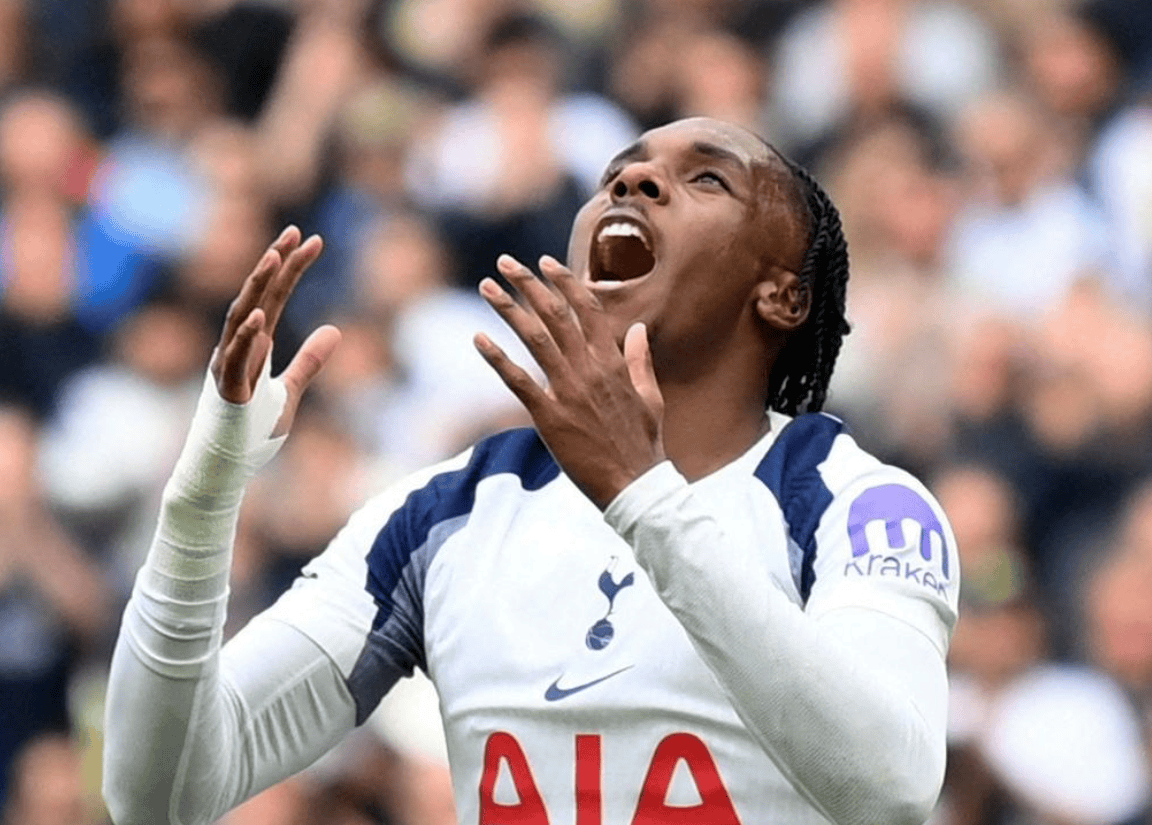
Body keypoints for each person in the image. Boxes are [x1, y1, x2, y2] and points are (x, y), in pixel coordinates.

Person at [102, 117, 958, 825]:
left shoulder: (855, 503)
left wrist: (643, 496)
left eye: (707, 179)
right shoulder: (442, 515)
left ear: (784, 294)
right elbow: (159, 795)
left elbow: (891, 787)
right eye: (616, 176)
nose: (633, 183)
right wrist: (203, 495)